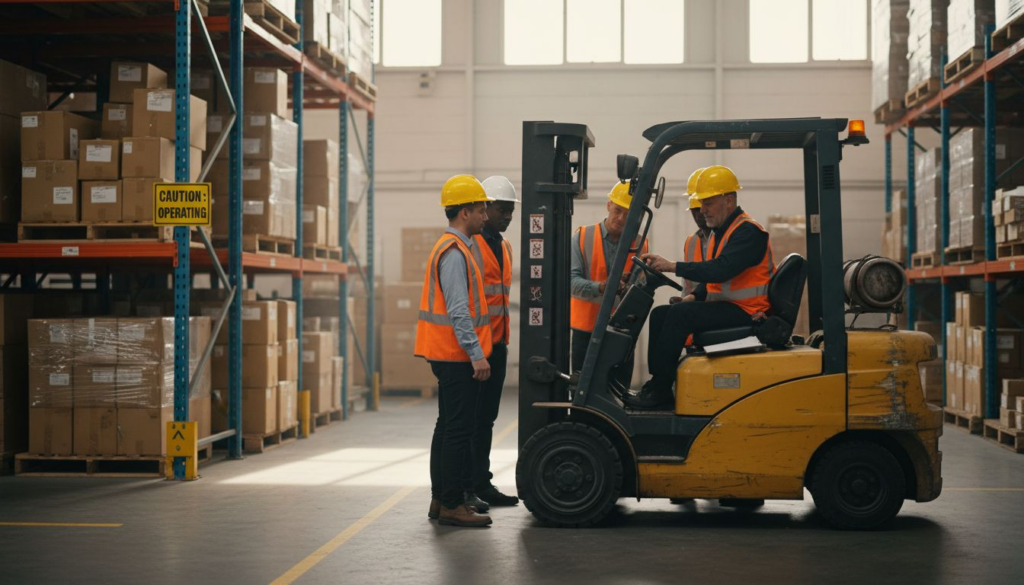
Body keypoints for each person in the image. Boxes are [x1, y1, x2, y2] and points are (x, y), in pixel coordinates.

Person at [626, 165, 775, 410]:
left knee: (680, 315)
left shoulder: (749, 232)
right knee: (661, 314)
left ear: (729, 201)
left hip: (749, 312)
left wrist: (672, 266)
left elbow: (720, 269)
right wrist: (694, 296)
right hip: (728, 307)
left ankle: (661, 389)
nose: (702, 209)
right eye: (701, 203)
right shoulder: (721, 232)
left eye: (708, 203)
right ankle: (658, 385)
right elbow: (713, 280)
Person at [415, 174, 495, 528]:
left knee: (447, 426)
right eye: (481, 210)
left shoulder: (455, 247)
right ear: (465, 212)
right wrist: (476, 354)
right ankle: (451, 503)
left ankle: (440, 499)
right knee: (459, 430)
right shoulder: (454, 252)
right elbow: (459, 310)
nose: (485, 216)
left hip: (446, 352)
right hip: (455, 355)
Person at [467, 176, 520, 509]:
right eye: (503, 209)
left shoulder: (506, 247)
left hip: (497, 345)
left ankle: (481, 483)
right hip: (475, 349)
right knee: (469, 422)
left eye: (511, 210)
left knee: (486, 420)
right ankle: (464, 488)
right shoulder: (471, 246)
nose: (508, 216)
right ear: (485, 208)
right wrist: (474, 350)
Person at [570, 181, 649, 391]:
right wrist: (602, 287)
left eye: (628, 214)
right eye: (618, 210)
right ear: (608, 206)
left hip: (622, 331)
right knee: (582, 391)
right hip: (586, 331)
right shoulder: (582, 237)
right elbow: (571, 282)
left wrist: (630, 288)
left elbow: (641, 288)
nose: (621, 218)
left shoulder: (641, 244)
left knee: (618, 392)